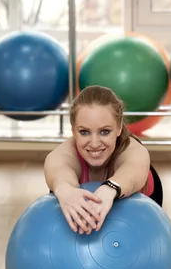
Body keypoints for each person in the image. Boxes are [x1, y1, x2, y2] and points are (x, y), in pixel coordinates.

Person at [44, 85, 163, 235]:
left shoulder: (131, 149)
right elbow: (57, 167)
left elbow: (134, 168)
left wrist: (109, 190)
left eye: (105, 131)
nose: (94, 143)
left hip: (146, 201)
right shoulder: (66, 152)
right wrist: (65, 189)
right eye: (84, 132)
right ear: (73, 130)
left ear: (119, 127)